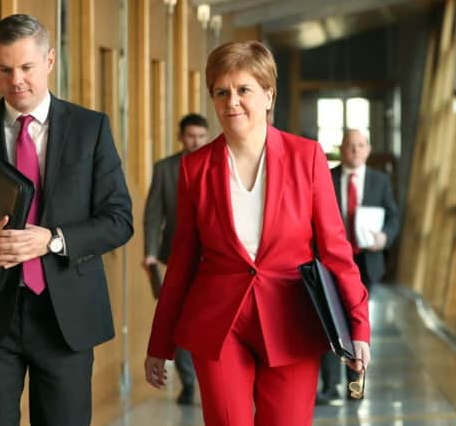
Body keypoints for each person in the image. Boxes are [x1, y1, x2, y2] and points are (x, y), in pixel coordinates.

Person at [0, 14, 132, 426]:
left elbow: (119, 220)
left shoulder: (91, 129)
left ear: (49, 61)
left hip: (65, 317)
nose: (16, 80)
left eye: (27, 67)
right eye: (5, 69)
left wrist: (52, 240)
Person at [144, 40, 371, 426]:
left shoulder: (307, 157)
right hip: (219, 324)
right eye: (221, 91)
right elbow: (182, 261)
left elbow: (336, 250)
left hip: (292, 319)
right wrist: (159, 343)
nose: (232, 101)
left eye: (243, 89)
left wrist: (358, 327)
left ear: (268, 95)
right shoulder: (194, 169)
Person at [317, 129, 400, 404]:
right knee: (331, 322)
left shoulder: (380, 181)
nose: (354, 150)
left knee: (358, 326)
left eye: (360, 145)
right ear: (342, 148)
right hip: (331, 263)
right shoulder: (327, 177)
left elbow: (394, 216)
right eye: (350, 145)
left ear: (368, 149)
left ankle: (356, 387)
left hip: (366, 262)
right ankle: (330, 388)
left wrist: (384, 237)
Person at [143, 113, 209, 405]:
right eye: (190, 136)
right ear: (181, 137)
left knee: (205, 319)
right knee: (181, 320)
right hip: (177, 255)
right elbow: (153, 212)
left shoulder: (216, 163)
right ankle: (190, 382)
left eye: (200, 136)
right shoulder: (166, 169)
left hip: (213, 259)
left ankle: (210, 378)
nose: (195, 141)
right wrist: (150, 252)